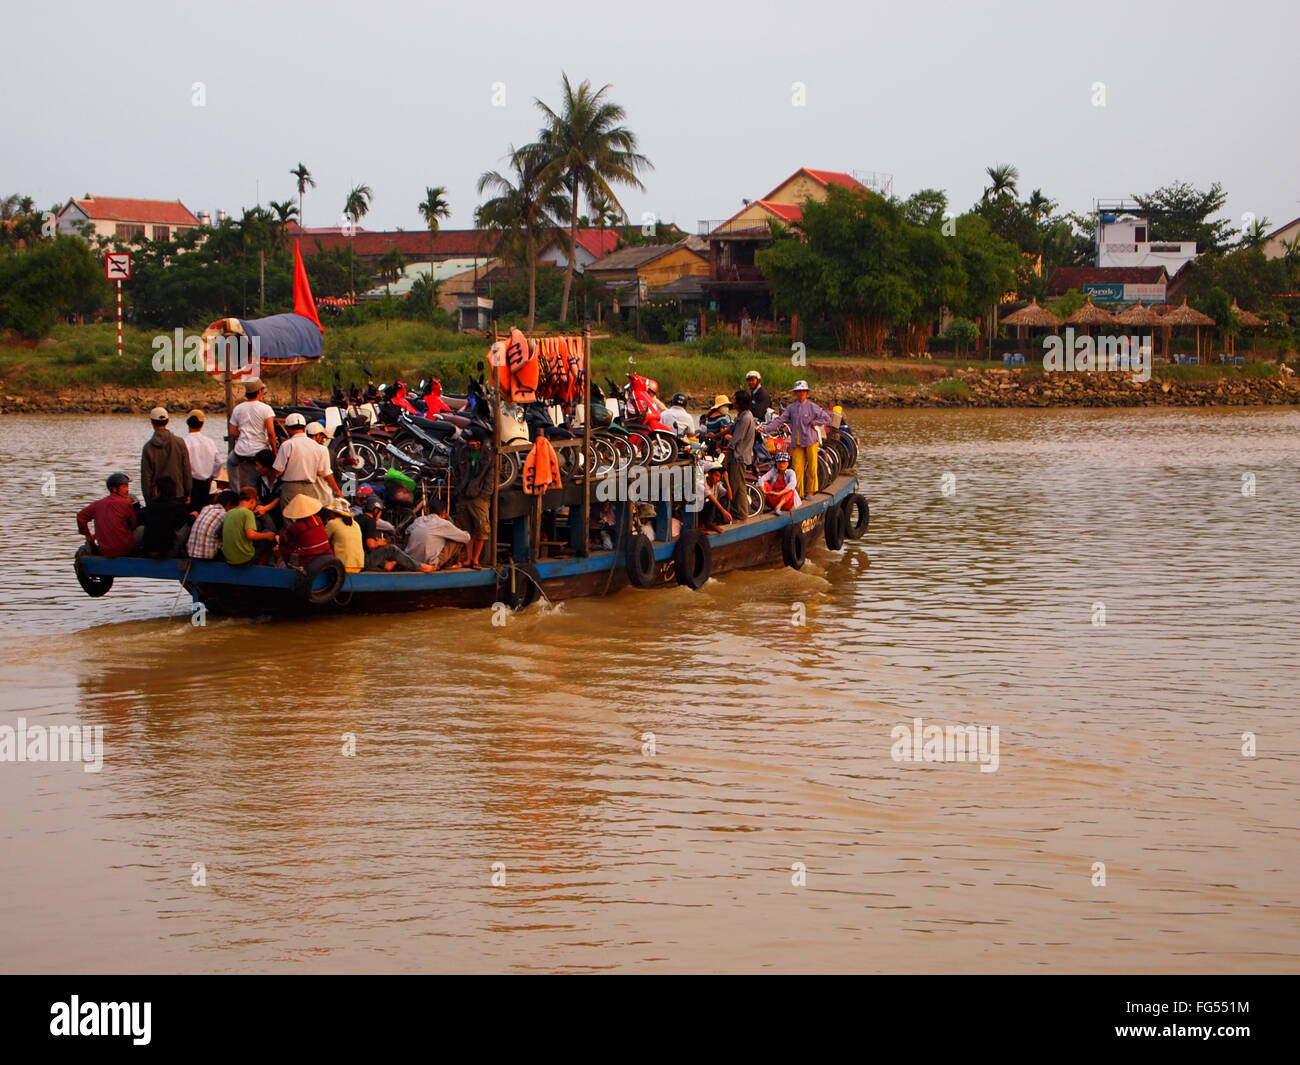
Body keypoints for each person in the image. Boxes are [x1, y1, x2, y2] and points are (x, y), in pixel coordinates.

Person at [765, 380, 831, 498]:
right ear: (795, 393)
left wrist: (815, 422)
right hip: (797, 441)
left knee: (812, 467)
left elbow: (826, 418)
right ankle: (799, 493)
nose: (801, 394)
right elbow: (781, 420)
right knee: (797, 468)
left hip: (810, 440)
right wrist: (766, 428)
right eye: (798, 392)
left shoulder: (812, 407)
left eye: (803, 391)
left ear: (806, 393)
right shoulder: (791, 408)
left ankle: (811, 491)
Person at [273, 412, 340, 511]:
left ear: (287, 429)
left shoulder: (287, 445)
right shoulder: (317, 447)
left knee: (290, 518)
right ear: (304, 428)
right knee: (307, 518)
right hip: (310, 488)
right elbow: (320, 472)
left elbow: (278, 471)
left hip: (291, 488)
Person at [357, 496, 434, 572]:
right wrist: (379, 543)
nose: (380, 515)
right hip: (363, 562)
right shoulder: (370, 521)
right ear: (376, 510)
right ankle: (420, 567)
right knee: (392, 549)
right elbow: (370, 544)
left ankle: (386, 565)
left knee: (374, 550)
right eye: (380, 512)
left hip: (357, 559)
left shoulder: (357, 518)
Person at [227, 379, 276, 490]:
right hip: (258, 451)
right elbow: (271, 433)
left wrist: (242, 437)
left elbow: (232, 431)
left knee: (231, 462)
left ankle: (236, 491)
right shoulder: (266, 409)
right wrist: (275, 453)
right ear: (259, 392)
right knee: (253, 479)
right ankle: (252, 497)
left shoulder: (238, 408)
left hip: (241, 450)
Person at [76, 472, 139, 558]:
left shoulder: (98, 504)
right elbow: (133, 525)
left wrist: (88, 536)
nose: (127, 489)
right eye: (124, 487)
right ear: (114, 489)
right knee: (142, 529)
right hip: (124, 550)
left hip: (105, 550)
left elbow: (81, 517)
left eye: (127, 486)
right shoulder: (126, 502)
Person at [140, 407, 191, 505]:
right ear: (168, 421)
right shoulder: (179, 443)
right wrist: (187, 492)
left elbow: (146, 477)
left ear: (152, 422)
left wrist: (148, 499)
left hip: (156, 497)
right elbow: (186, 470)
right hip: (178, 494)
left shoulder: (148, 447)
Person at [222, 486, 277, 565]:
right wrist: (268, 535)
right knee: (269, 535)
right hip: (244, 558)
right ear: (252, 501)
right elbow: (250, 535)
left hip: (228, 558)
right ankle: (258, 565)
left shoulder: (230, 512)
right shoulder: (248, 513)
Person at [722, 389, 755, 519]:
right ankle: (739, 512)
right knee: (737, 485)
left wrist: (726, 456)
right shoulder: (742, 415)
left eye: (734, 399)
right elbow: (731, 429)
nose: (732, 401)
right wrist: (715, 436)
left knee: (737, 487)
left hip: (738, 457)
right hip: (738, 456)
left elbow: (736, 439)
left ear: (740, 402)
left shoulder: (746, 418)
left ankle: (740, 514)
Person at [278, 493, 334, 567]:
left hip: (308, 560)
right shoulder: (318, 519)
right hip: (327, 555)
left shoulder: (295, 527)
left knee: (283, 548)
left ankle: (288, 568)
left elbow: (283, 541)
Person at [139, 476, 190, 557]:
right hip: (167, 553)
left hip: (148, 550)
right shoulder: (176, 506)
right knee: (187, 525)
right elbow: (185, 520)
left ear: (159, 491)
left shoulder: (150, 504)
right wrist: (194, 516)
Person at [183, 409, 222, 512]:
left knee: (191, 512)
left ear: (188, 423)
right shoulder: (209, 442)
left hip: (191, 483)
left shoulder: (184, 442)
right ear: (202, 424)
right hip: (206, 483)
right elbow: (218, 462)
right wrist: (213, 476)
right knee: (203, 510)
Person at [187, 489, 237, 560]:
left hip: (191, 552)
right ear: (229, 503)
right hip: (207, 555)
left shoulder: (206, 508)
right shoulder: (224, 514)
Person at [322, 499, 364, 573]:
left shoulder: (332, 523)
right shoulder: (355, 524)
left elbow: (322, 540)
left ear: (335, 513)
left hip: (342, 566)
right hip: (358, 566)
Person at [306, 421, 339, 503]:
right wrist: (337, 491)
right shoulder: (323, 450)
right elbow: (327, 473)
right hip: (322, 494)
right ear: (318, 436)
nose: (324, 441)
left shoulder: (298, 448)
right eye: (323, 438)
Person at [698, 461, 733, 534]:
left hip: (709, 513)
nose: (718, 479)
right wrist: (724, 512)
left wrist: (727, 481)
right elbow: (711, 498)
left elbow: (729, 497)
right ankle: (704, 525)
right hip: (699, 513)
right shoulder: (702, 483)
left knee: (724, 500)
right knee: (713, 502)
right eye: (716, 475)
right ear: (710, 474)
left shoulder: (717, 485)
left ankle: (713, 524)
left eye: (720, 476)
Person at [252, 449, 283, 528]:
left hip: (279, 513)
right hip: (264, 513)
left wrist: (265, 508)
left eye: (258, 465)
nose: (256, 468)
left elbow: (280, 497)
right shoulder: (260, 479)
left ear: (266, 466)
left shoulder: (281, 479)